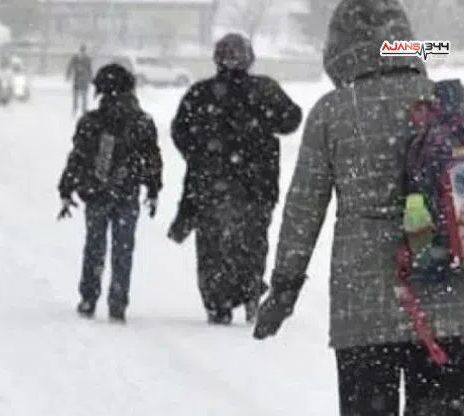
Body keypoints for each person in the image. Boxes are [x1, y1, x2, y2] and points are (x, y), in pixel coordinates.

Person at [253, 0, 464, 416]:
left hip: (365, 309)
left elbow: (304, 208)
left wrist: (285, 285)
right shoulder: (447, 102)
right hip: (451, 305)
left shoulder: (333, 112)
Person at [170, 33, 302, 325]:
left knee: (212, 246)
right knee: (252, 241)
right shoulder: (264, 90)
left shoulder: (200, 93)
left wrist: (200, 155)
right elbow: (291, 120)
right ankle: (250, 288)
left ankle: (218, 302)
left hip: (210, 184)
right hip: (258, 184)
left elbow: (180, 131)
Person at [57, 63, 162, 323]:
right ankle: (118, 301)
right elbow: (152, 158)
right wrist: (153, 187)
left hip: (96, 192)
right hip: (127, 192)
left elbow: (78, 158)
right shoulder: (142, 122)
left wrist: (67, 187)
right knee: (123, 249)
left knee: (94, 245)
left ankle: (88, 297)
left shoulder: (91, 121)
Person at [65, 45, 93, 116]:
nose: (82, 52)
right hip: (77, 80)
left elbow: (90, 69)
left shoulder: (88, 59)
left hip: (84, 80)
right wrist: (68, 74)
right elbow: (70, 66)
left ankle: (84, 110)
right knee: (76, 95)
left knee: (84, 96)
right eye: (81, 50)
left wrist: (90, 78)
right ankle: (75, 109)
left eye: (83, 51)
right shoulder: (75, 58)